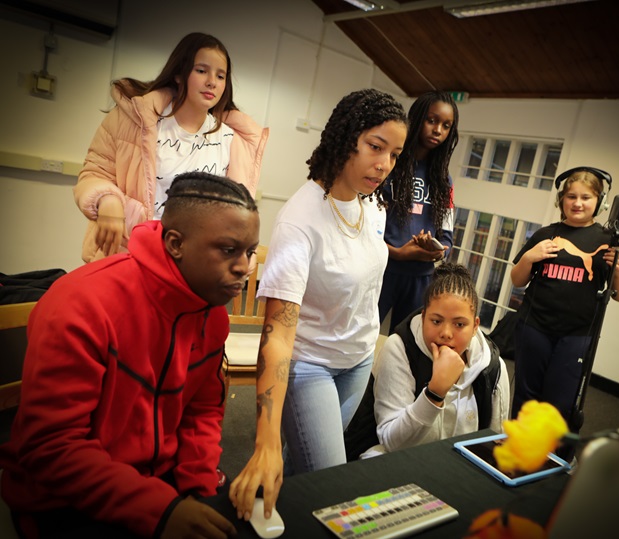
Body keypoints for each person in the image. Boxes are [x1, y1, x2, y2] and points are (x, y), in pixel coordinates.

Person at [0, 172, 260, 538]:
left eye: (249, 252)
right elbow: (52, 448)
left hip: (159, 480)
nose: (245, 268)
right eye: (229, 250)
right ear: (175, 243)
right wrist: (162, 511)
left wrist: (199, 490)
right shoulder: (82, 303)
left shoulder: (212, 312)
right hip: (63, 495)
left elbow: (201, 411)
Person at [229, 89, 408, 521]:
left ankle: (259, 519)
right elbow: (275, 335)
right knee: (330, 483)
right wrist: (264, 438)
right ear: (345, 139)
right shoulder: (300, 220)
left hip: (358, 360)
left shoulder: (375, 205)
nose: (384, 164)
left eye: (395, 154)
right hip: (310, 366)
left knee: (302, 473)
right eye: (375, 147)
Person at [74, 32, 268, 263]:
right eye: (201, 70)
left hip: (192, 265)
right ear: (179, 73)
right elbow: (94, 173)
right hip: (129, 252)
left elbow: (233, 211)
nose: (212, 82)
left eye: (221, 75)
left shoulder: (232, 139)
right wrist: (107, 199)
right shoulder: (134, 119)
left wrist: (242, 254)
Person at [509, 166, 619, 440]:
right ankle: (518, 447)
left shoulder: (609, 242)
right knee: (526, 397)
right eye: (571, 196)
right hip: (535, 327)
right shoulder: (545, 234)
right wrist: (530, 257)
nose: (577, 203)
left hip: (577, 335)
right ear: (561, 200)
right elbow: (517, 279)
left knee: (560, 401)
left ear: (599, 202)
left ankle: (552, 457)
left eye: (586, 197)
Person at [359, 263, 510, 458]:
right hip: (401, 460)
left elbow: (493, 443)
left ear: (475, 326)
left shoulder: (493, 367)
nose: (446, 334)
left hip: (458, 469)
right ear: (423, 317)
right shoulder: (400, 348)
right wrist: (434, 393)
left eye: (459, 324)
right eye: (436, 321)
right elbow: (392, 442)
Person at [378, 90, 459, 334]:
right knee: (360, 339)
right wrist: (398, 253)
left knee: (403, 348)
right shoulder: (389, 164)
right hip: (382, 270)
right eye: (432, 121)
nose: (438, 130)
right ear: (416, 119)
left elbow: (446, 237)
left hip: (421, 279)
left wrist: (437, 251)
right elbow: (364, 228)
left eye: (446, 126)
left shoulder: (444, 181)